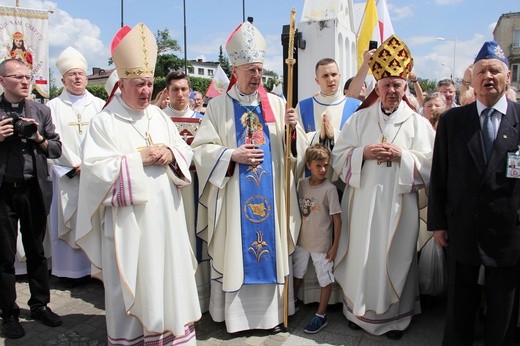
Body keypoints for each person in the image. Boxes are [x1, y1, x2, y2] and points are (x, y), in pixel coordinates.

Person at [75, 23, 201, 344]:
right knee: (134, 285)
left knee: (167, 280)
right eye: (138, 84)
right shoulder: (104, 122)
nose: (146, 91)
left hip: (167, 222)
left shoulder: (158, 116)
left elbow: (184, 152)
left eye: (148, 83)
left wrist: (170, 151)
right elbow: (94, 172)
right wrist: (139, 158)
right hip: (129, 227)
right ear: (122, 85)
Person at [191, 21, 306, 333]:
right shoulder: (217, 107)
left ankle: (274, 315)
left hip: (271, 200)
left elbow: (295, 154)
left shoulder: (279, 105)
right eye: (250, 70)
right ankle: (236, 317)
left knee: (272, 246)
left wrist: (293, 132)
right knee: (237, 251)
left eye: (259, 69)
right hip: (234, 201)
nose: (257, 76)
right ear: (235, 70)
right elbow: (201, 150)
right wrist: (231, 156)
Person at [331, 34, 435, 340]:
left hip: (399, 206)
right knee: (362, 254)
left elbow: (432, 164)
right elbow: (338, 157)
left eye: (397, 85)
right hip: (362, 203)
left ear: (405, 88)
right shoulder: (359, 120)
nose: (392, 90)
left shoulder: (418, 124)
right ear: (377, 87)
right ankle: (357, 313)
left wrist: (403, 156)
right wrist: (362, 153)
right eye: (386, 84)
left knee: (395, 256)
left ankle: (395, 318)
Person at [428, 40, 520, 345]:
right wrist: (438, 223)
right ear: (473, 79)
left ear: (508, 77)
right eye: (481, 71)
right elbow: (439, 175)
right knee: (459, 306)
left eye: (495, 70)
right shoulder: (453, 121)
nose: (488, 77)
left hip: (509, 231)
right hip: (462, 228)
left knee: (503, 307)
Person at [0, 58, 62, 339]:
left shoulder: (41, 110)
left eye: (28, 76)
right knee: (3, 255)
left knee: (36, 251)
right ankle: (9, 314)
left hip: (33, 189)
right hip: (3, 191)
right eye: (18, 77)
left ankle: (40, 305)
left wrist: (38, 138)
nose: (25, 81)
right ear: (2, 80)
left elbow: (56, 149)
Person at [46, 46, 105, 280]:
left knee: (94, 219)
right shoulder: (52, 107)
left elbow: (105, 138)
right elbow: (53, 138)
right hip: (67, 175)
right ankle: (68, 271)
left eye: (80, 73)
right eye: (72, 74)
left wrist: (89, 164)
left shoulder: (100, 106)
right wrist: (73, 164)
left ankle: (96, 269)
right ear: (63, 79)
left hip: (94, 174)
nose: (77, 77)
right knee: (66, 219)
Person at [163, 70, 209, 313]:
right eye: (175, 89)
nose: (180, 94)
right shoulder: (158, 119)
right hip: (169, 187)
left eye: (184, 89)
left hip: (196, 184)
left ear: (189, 90)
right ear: (167, 92)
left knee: (195, 235)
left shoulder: (202, 119)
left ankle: (199, 294)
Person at [293, 143, 341, 334]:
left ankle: (321, 315)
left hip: (321, 244)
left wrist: (335, 246)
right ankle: (292, 304)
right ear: (308, 166)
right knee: (298, 273)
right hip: (302, 242)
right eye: (318, 166)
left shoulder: (330, 189)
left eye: (326, 166)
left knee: (325, 279)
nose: (322, 170)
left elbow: (337, 219)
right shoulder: (301, 185)